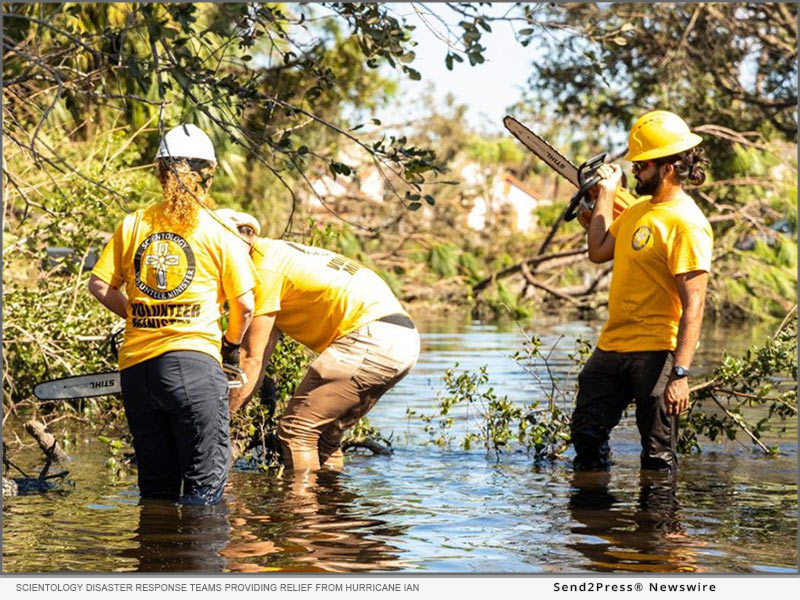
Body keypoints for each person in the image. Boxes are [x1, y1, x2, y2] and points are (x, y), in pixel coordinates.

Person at [89, 124, 256, 504]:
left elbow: (100, 286)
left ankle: (153, 558)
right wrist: (230, 345)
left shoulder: (133, 224)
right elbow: (245, 305)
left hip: (137, 373)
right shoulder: (218, 229)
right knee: (204, 494)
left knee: (156, 493)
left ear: (160, 173)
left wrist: (139, 315)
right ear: (208, 175)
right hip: (194, 368)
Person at [220, 210, 420, 472]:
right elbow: (260, 355)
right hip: (404, 341)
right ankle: (330, 510)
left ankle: (304, 511)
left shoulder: (261, 269)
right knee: (326, 434)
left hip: (372, 337)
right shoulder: (278, 254)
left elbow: (250, 359)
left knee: (296, 431)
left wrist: (220, 423)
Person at [571, 110, 713, 471]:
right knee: (586, 435)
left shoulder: (687, 223)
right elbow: (599, 250)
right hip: (613, 345)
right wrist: (606, 193)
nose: (634, 171)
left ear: (667, 168)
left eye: (642, 166)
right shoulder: (636, 212)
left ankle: (660, 525)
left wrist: (680, 374)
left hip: (656, 351)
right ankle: (594, 521)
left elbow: (694, 304)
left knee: (657, 455)